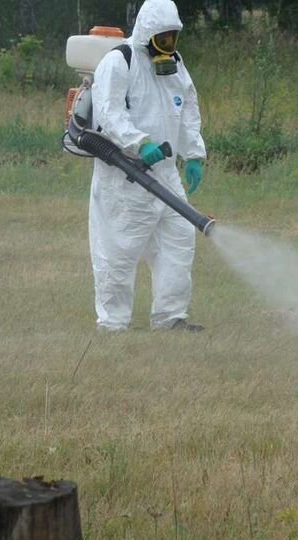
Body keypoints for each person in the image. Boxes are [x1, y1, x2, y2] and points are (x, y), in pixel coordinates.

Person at [89, 0, 206, 332]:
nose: (168, 46)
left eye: (172, 38)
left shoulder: (175, 65)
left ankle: (170, 318)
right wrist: (139, 143)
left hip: (166, 175)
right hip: (126, 176)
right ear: (147, 34)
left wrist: (194, 154)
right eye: (162, 38)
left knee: (179, 240)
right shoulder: (119, 62)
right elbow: (109, 113)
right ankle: (113, 324)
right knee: (119, 251)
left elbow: (187, 110)